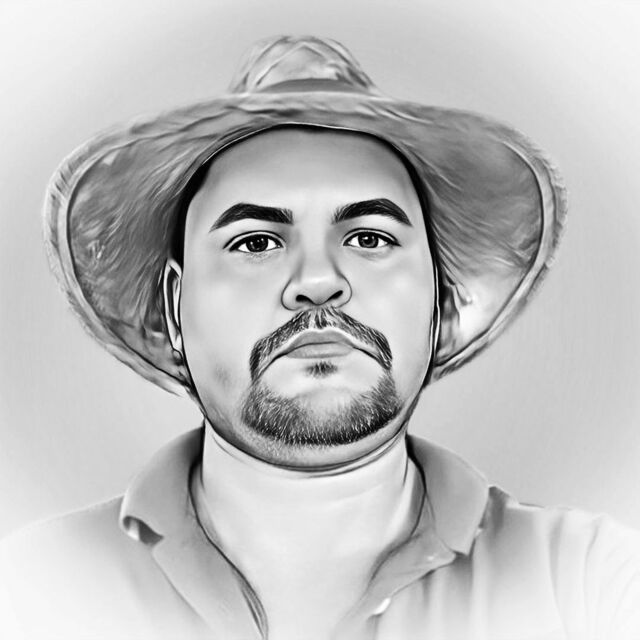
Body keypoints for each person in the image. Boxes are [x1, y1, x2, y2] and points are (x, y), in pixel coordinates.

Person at [1, 35, 638, 640]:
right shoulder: (36, 589)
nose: (317, 282)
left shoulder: (586, 581)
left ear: (441, 300)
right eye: (256, 242)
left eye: (369, 238)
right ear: (174, 307)